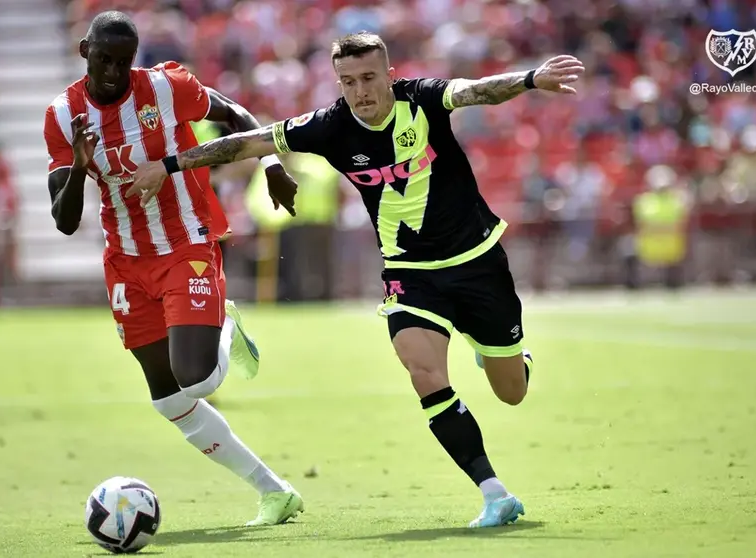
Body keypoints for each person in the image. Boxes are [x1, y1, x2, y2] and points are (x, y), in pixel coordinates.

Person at [125, 31, 585, 528]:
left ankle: (504, 354)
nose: (360, 91)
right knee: (423, 371)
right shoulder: (330, 127)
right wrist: (169, 165)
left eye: (369, 78)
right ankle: (494, 493)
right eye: (348, 82)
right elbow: (249, 142)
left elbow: (476, 91)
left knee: (511, 391)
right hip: (410, 274)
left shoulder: (422, 99)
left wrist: (532, 79)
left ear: (389, 75)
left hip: (477, 262)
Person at [43, 11, 303, 526]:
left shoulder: (165, 87)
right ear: (84, 52)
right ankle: (275, 493)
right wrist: (78, 166)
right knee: (167, 399)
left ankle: (224, 326)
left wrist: (271, 163)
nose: (113, 72)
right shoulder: (63, 115)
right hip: (126, 261)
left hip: (186, 242)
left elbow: (236, 113)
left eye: (123, 62)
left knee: (197, 380)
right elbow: (65, 221)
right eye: (103, 60)